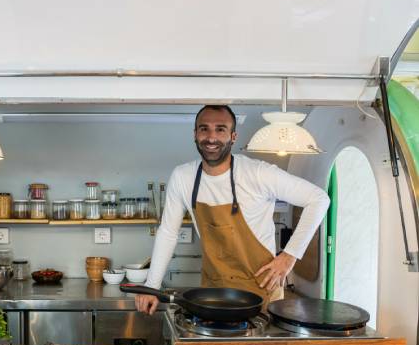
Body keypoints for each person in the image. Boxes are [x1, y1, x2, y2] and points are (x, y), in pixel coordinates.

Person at [135, 105, 330, 315]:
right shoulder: (183, 177)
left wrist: (289, 256)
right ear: (195, 134)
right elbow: (168, 233)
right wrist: (151, 287)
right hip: (213, 294)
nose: (211, 137)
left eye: (220, 129)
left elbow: (319, 199)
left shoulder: (257, 173)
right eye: (204, 129)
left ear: (233, 136)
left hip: (261, 292)